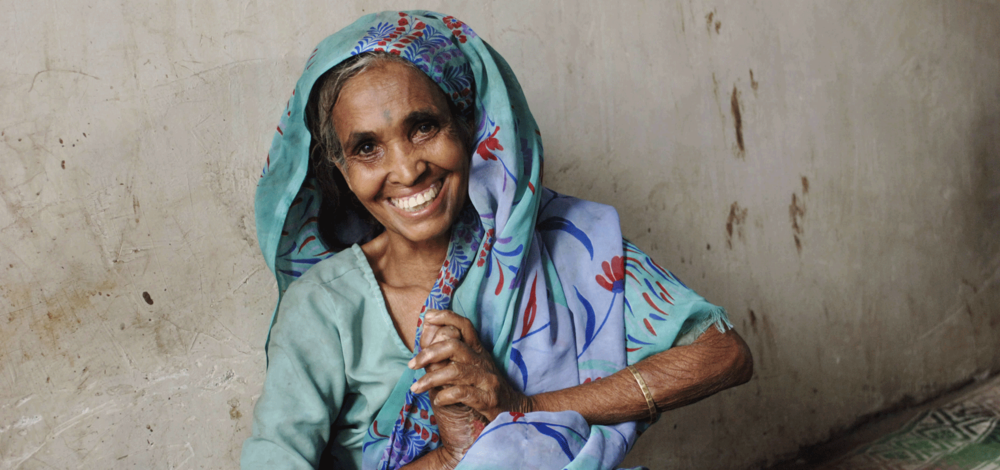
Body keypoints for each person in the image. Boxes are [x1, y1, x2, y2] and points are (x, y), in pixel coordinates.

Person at [243, 10, 752, 470]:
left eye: (423, 127)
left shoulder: (562, 242)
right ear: (343, 171)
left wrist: (525, 409)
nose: (405, 169)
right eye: (367, 148)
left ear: (469, 125)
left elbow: (723, 354)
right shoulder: (323, 307)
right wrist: (449, 460)